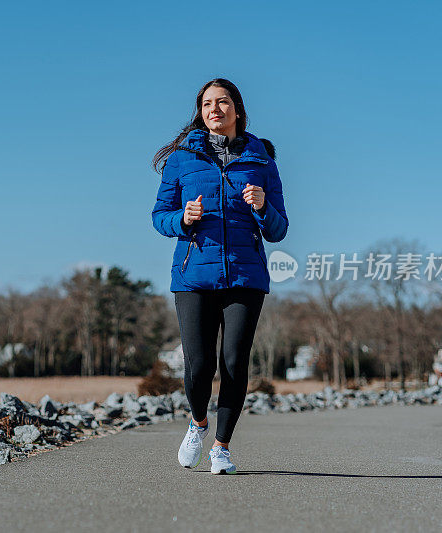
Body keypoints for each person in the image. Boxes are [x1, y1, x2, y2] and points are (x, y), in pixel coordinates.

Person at [150, 78, 288, 474]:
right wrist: (182, 218)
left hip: (245, 277)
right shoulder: (182, 160)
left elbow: (279, 229)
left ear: (237, 110)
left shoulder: (262, 161)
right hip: (194, 274)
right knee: (197, 366)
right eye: (207, 103)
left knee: (234, 363)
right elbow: (159, 216)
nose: (215, 109)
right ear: (201, 112)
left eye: (223, 102)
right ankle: (198, 423)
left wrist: (262, 207)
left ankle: (222, 447)